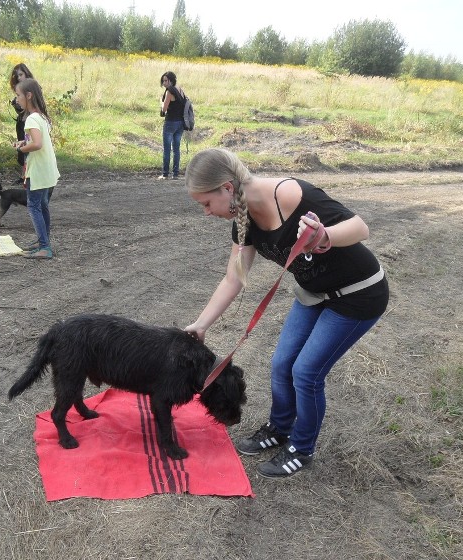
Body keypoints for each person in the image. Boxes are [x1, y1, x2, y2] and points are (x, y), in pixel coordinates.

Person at [183, 148, 388, 479]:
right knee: (281, 364)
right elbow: (234, 277)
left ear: (226, 187)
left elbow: (361, 228)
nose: (206, 212)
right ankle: (279, 429)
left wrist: (325, 236)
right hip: (314, 294)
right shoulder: (244, 219)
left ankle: (302, 448)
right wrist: (201, 324)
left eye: (205, 203)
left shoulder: (289, 194)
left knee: (306, 373)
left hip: (358, 295)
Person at [13, 78, 60, 259]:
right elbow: (38, 140)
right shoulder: (42, 117)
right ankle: (44, 242)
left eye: (18, 95)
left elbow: (38, 144)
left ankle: (44, 248)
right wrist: (25, 142)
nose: (17, 99)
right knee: (42, 205)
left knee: (33, 206)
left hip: (38, 170)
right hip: (48, 169)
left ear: (29, 95)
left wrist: (21, 148)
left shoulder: (31, 119)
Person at [158, 71, 186, 180]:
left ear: (171, 80)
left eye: (166, 80)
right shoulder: (180, 90)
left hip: (170, 123)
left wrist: (161, 101)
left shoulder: (169, 92)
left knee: (166, 149)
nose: (164, 83)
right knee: (176, 149)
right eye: (163, 81)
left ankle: (165, 174)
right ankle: (175, 174)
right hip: (180, 123)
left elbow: (164, 109)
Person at [9, 64, 34, 173]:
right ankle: (24, 175)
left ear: (26, 73)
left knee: (30, 147)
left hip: (31, 122)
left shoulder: (33, 87)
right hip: (21, 123)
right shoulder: (19, 88)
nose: (19, 77)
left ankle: (29, 175)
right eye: (16, 75)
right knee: (22, 149)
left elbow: (34, 107)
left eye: (21, 74)